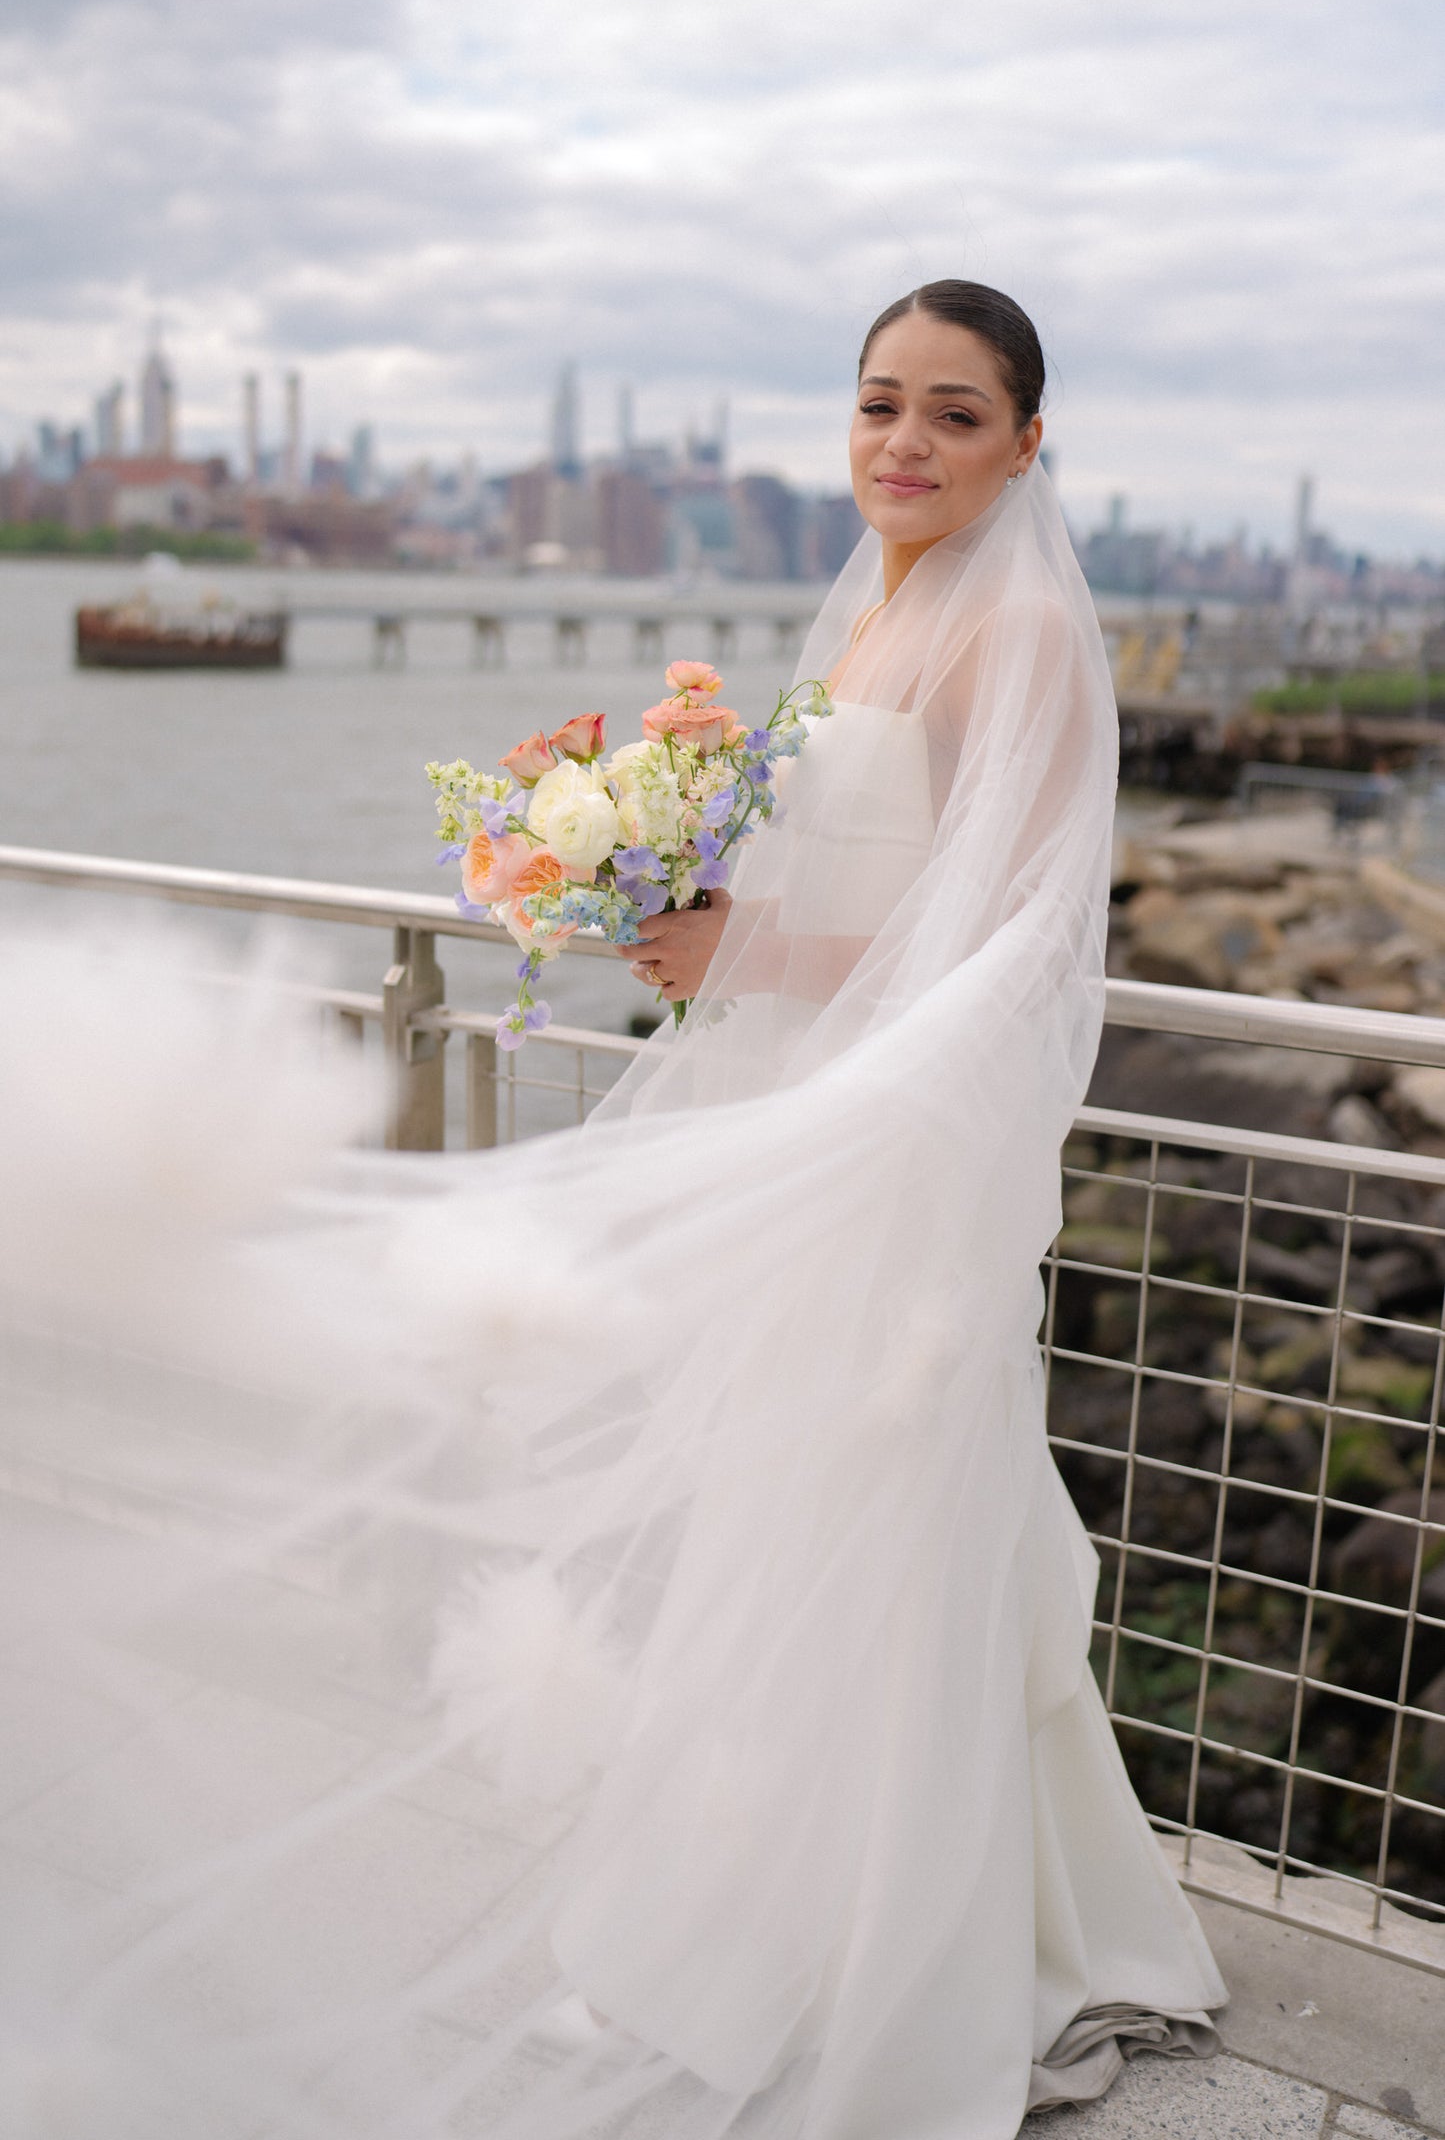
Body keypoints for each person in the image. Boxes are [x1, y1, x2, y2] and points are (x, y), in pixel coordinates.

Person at [0, 281, 1225, 2140]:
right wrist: (650, 861)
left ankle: (914, 1949)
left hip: (894, 1145)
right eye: (879, 404)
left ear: (1027, 443)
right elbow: (850, 855)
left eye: (955, 417)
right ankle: (819, 1906)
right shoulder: (888, 602)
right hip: (810, 1085)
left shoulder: (1030, 624)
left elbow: (1020, 936)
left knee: (889, 1517)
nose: (902, 444)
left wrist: (760, 946)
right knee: (811, 1515)